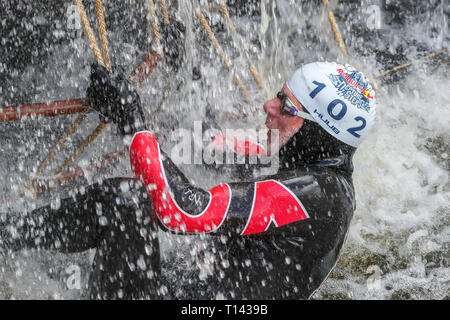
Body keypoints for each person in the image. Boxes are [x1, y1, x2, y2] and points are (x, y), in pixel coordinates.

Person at [0, 61, 376, 300]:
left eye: (286, 105)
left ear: (317, 132)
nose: (269, 106)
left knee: (126, 201)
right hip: (186, 292)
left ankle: (6, 233)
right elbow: (221, 162)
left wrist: (131, 123)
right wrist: (183, 71)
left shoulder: (312, 193)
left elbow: (182, 211)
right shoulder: (327, 184)